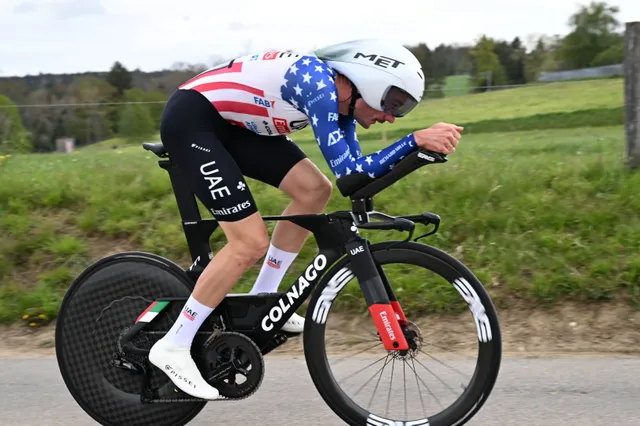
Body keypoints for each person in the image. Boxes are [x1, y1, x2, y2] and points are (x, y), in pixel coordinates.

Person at [148, 39, 463, 400]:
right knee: (248, 242)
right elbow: (351, 173)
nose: (391, 116)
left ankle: (264, 297)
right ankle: (174, 344)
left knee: (314, 190)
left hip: (233, 127)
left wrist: (414, 152)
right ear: (369, 80)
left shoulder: (343, 103)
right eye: (394, 103)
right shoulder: (318, 86)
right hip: (194, 122)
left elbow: (354, 181)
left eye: (402, 111)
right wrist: (414, 140)